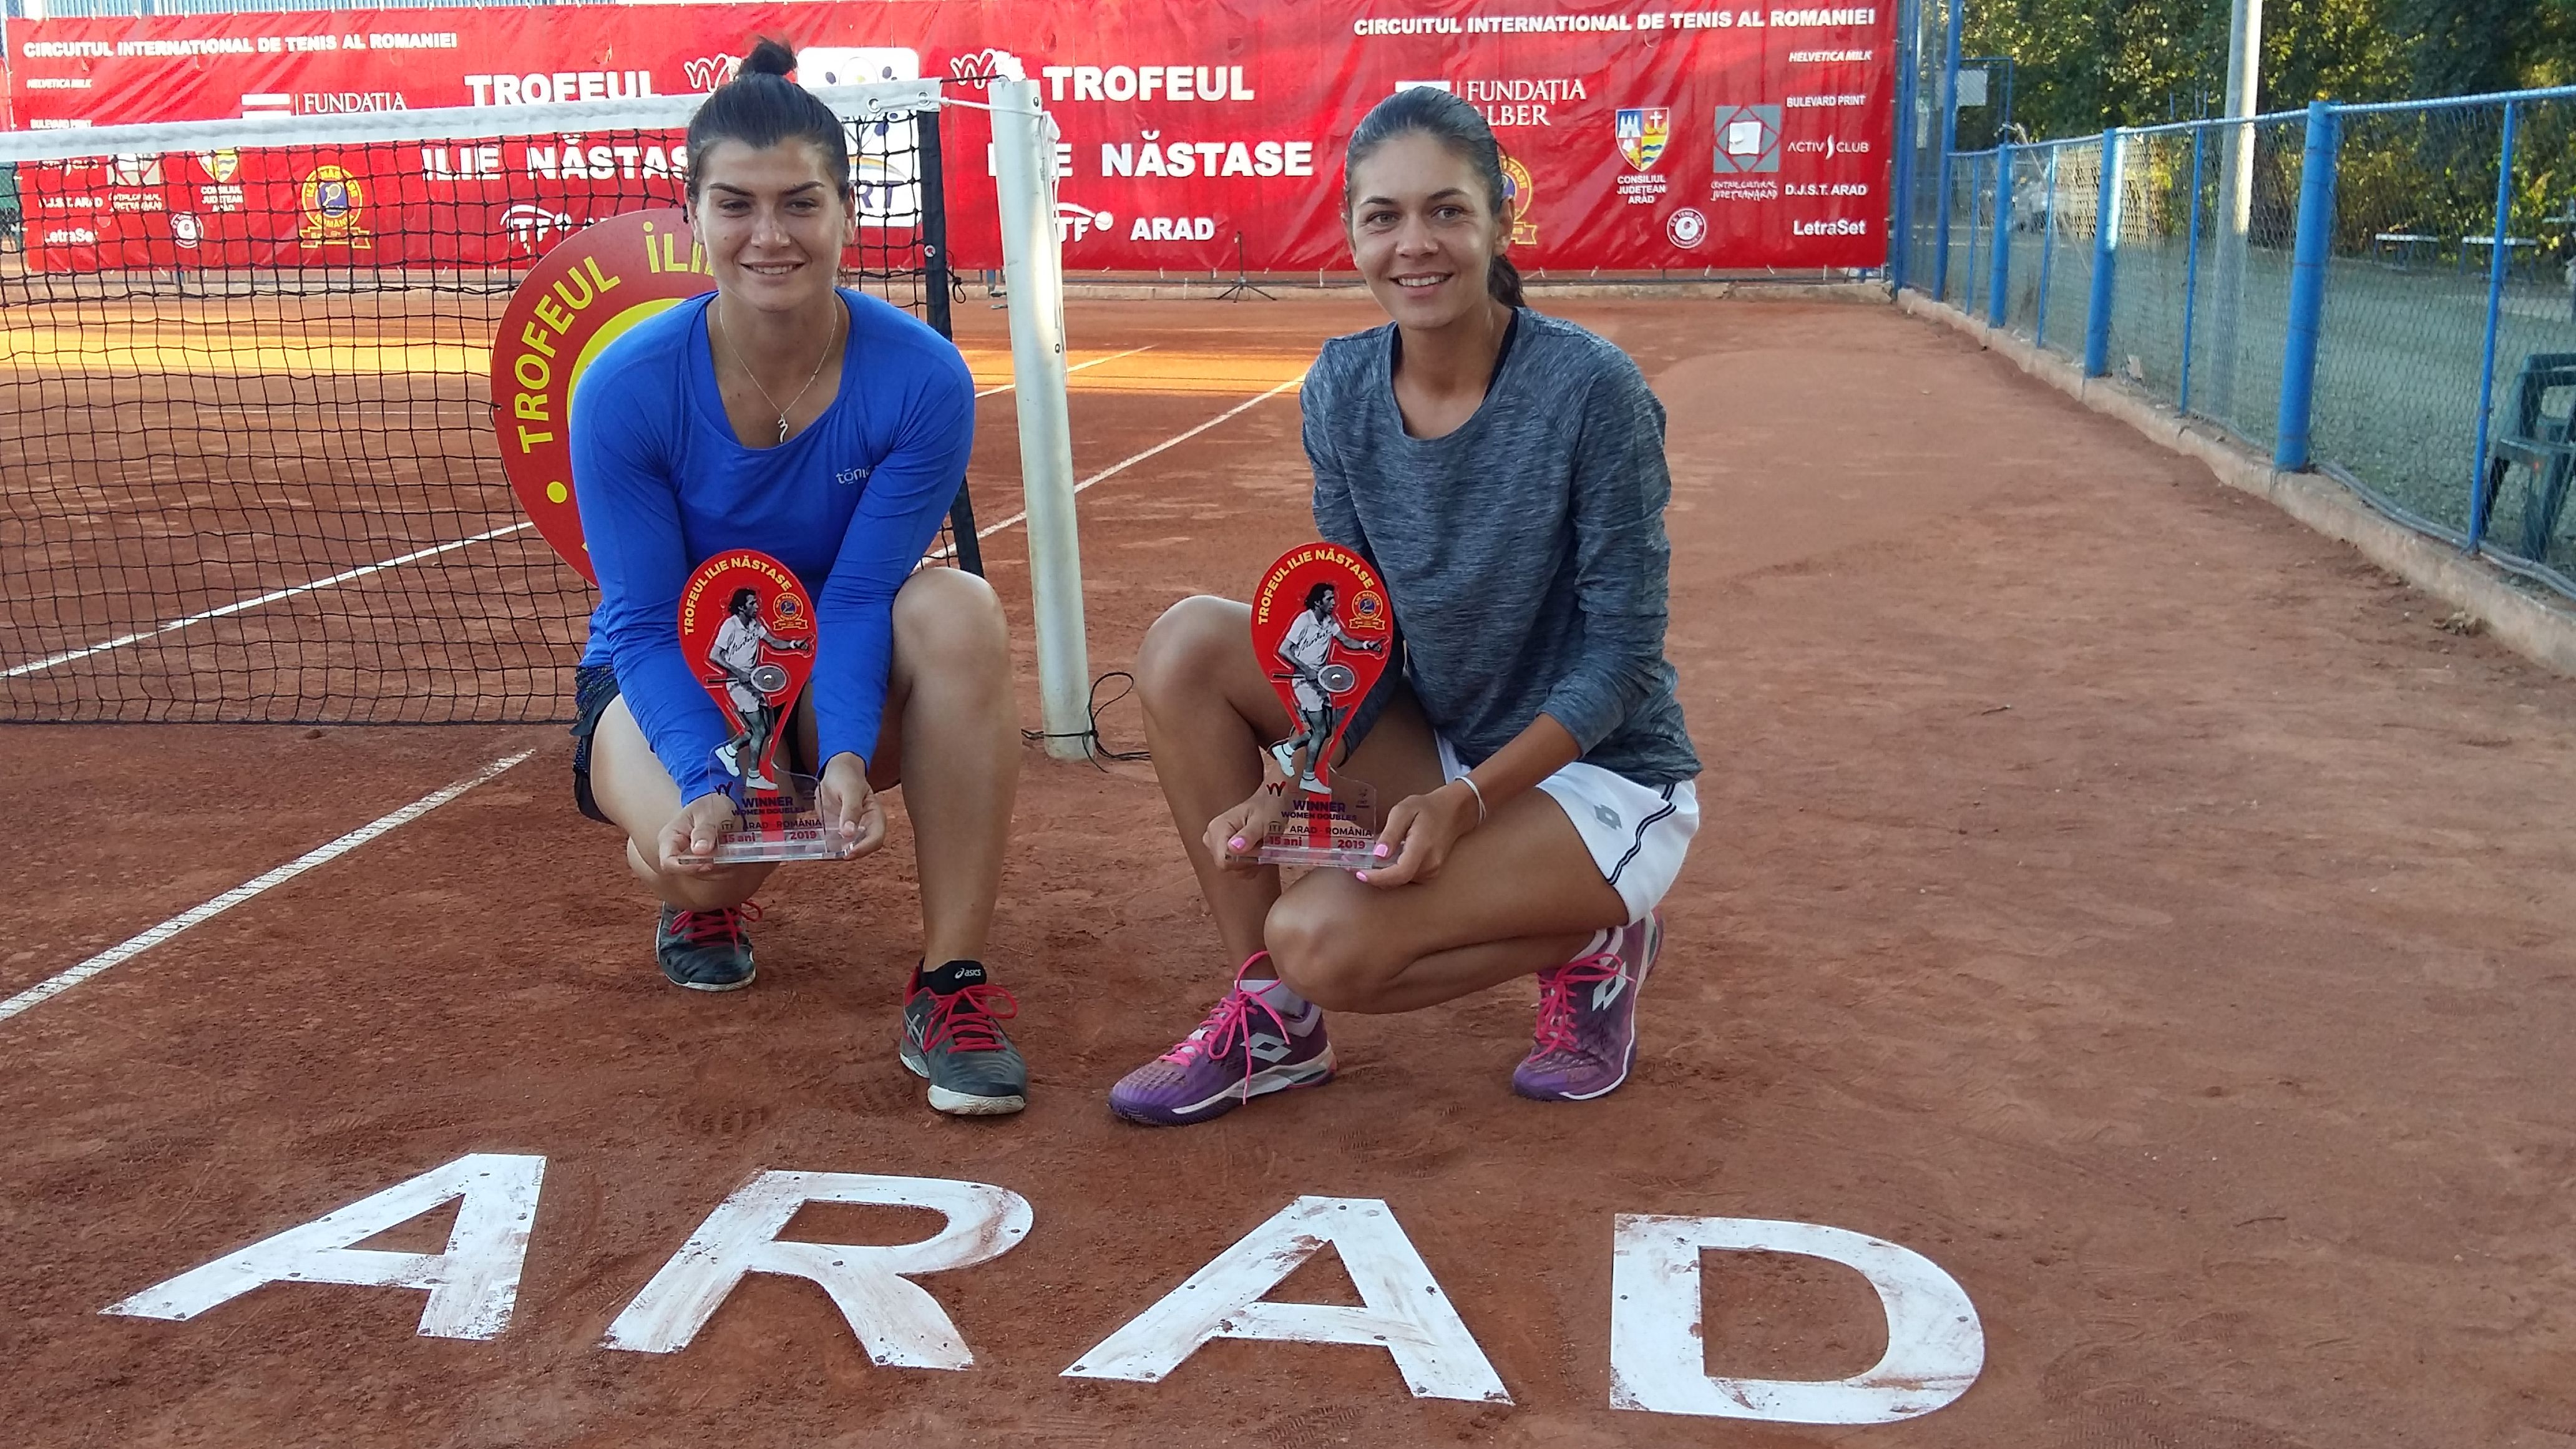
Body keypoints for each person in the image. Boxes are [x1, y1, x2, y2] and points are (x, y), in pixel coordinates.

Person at [1108, 87, 1702, 1126]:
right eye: (1383, 216)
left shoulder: (1591, 393)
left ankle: (1599, 935)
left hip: (1599, 776)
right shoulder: (1340, 387)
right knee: (1186, 644)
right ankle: (1272, 1018)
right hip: (1444, 741)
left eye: (1446, 211)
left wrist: (1463, 802)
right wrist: (1290, 780)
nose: (1414, 244)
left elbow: (1622, 659)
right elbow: (1355, 626)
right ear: (1351, 234)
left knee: (1320, 937)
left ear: (1498, 223)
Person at [566, 39, 1029, 1117]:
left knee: (958, 606)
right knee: (710, 859)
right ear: (693, 215)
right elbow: (643, 624)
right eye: (735, 204)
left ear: (847, 213)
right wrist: (703, 777)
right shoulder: (624, 388)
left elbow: (861, 595)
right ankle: (694, 887)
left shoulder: (923, 380)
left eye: (800, 204)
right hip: (666, 671)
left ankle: (951, 983)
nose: (768, 236)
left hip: (824, 669)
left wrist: (852, 753)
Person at [1270, 581, 1383, 793]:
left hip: (1321, 682)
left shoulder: (1329, 621)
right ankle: (1308, 777)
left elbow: (1346, 641)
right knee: (1320, 731)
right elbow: (1284, 649)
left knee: (1326, 731)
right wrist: (1306, 669)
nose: (1334, 602)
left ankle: (1286, 749)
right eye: (1329, 598)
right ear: (1317, 602)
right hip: (1304, 683)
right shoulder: (1303, 621)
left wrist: (1368, 645)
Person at [708, 585, 807, 791]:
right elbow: (714, 655)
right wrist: (738, 672)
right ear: (741, 607)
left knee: (762, 730)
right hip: (738, 685)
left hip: (753, 682)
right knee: (759, 730)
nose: (757, 606)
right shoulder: (730, 626)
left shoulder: (755, 624)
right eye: (752, 603)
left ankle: (729, 751)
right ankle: (753, 775)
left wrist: (793, 645)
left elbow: (773, 642)